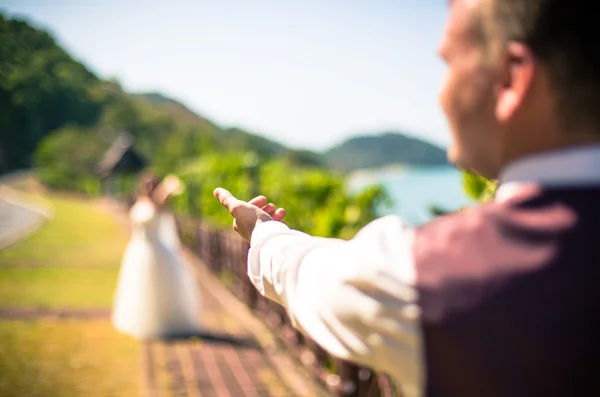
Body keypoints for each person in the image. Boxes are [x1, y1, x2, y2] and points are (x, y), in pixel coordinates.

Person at [213, 1, 600, 396]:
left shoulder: (445, 274)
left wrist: (264, 234)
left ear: (511, 79)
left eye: (449, 64)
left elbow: (317, 281)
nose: (440, 95)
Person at [112, 172, 202, 339]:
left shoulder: (160, 201)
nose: (149, 187)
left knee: (157, 288)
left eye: (152, 184)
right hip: (138, 249)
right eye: (147, 183)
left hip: (156, 251)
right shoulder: (139, 200)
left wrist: (168, 188)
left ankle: (162, 323)